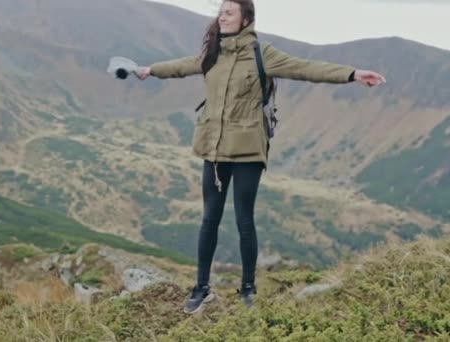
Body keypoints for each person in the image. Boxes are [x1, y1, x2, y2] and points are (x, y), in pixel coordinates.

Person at [135, 0, 386, 314]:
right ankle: (201, 288)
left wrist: (351, 74)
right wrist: (150, 70)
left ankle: (248, 288)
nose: (222, 16)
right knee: (209, 220)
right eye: (221, 11)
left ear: (245, 19)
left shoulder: (262, 54)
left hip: (248, 149)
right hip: (213, 148)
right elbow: (182, 66)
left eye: (230, 12)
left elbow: (306, 68)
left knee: (244, 220)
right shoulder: (213, 54)